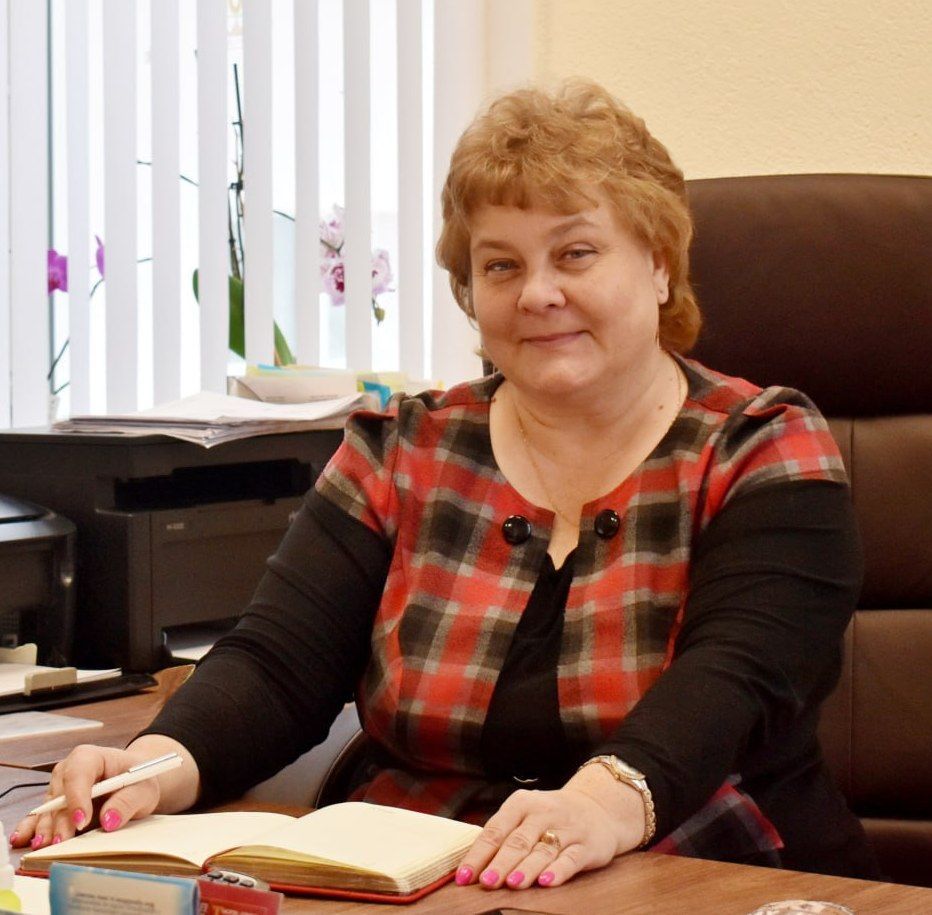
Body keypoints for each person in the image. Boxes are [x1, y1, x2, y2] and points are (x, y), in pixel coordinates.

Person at [12, 81, 879, 889]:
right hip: (419, 874)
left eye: (575, 253)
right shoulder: (405, 448)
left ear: (659, 264)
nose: (538, 293)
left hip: (699, 865)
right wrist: (154, 765)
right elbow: (277, 667)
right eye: (500, 266)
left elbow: (736, 679)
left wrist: (600, 802)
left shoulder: (763, 447)